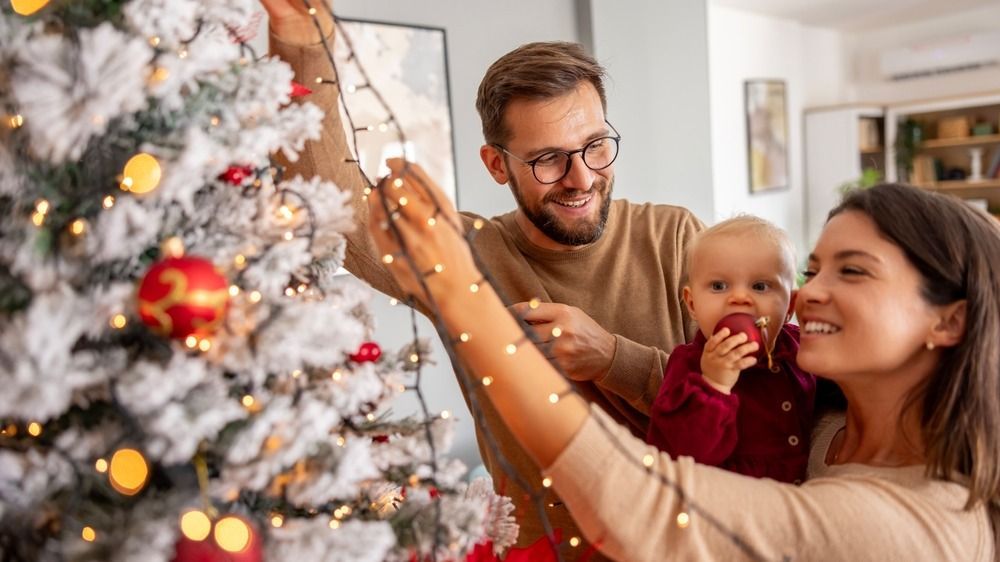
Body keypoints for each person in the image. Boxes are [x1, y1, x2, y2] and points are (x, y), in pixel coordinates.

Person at [263, 1, 702, 553]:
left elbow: (749, 403)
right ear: (497, 166)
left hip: (679, 543)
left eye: (595, 145)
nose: (581, 177)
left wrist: (614, 358)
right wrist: (303, 44)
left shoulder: (678, 237)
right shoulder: (461, 253)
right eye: (548, 159)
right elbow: (337, 207)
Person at [369, 177, 1000, 561]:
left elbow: (641, 505)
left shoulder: (912, 523)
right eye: (813, 271)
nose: (806, 295)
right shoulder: (834, 418)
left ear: (950, 322)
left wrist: (461, 293)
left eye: (853, 270)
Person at [646, 216, 815, 484]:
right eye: (718, 286)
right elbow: (680, 455)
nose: (739, 298)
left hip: (801, 502)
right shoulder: (688, 366)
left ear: (790, 306)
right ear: (692, 304)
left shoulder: (802, 349)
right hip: (731, 508)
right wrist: (714, 384)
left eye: (760, 286)